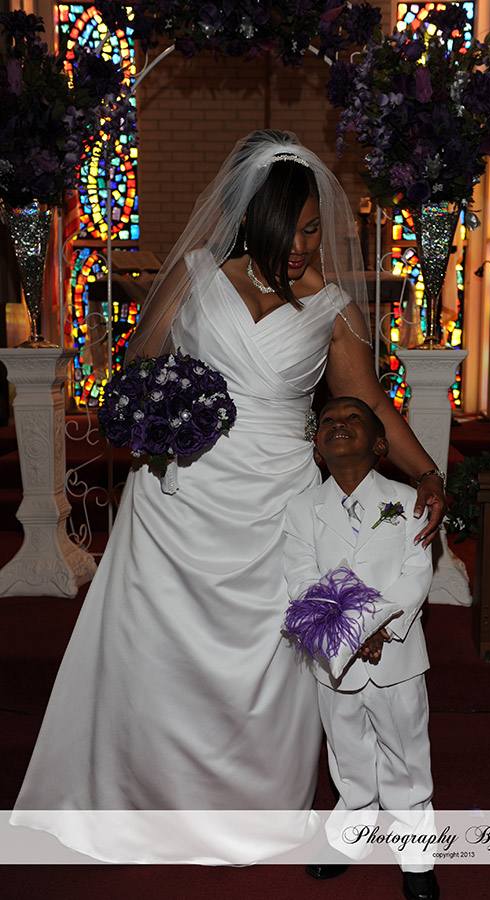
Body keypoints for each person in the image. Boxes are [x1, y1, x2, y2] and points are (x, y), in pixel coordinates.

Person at [11, 131, 446, 864]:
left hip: (277, 506)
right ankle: (137, 797)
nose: (303, 247)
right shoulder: (194, 275)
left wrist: (428, 473)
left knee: (270, 661)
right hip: (180, 499)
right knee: (157, 654)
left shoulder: (331, 308)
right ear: (248, 218)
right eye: (291, 230)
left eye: (313, 230)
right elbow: (140, 369)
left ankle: (253, 813)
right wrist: (156, 418)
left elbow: (369, 401)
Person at [284, 397, 439, 900]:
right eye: (329, 420)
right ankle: (353, 831)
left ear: (380, 444)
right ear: (317, 448)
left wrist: (375, 626)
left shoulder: (408, 500)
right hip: (335, 657)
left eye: (354, 418)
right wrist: (353, 631)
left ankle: (416, 849)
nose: (339, 424)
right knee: (346, 749)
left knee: (405, 752)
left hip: (395, 653)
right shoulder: (302, 509)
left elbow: (415, 574)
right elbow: (302, 578)